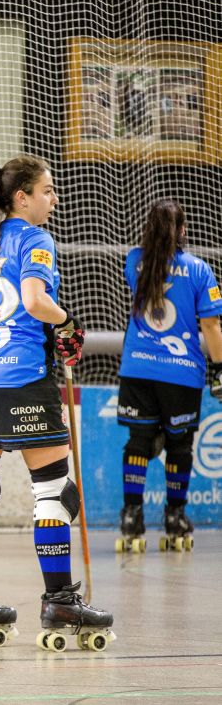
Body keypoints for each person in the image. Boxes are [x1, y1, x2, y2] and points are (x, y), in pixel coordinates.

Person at [0, 155, 113, 650]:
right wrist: (67, 323)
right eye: (48, 191)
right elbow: (35, 301)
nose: (53, 200)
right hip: (21, 376)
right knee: (54, 491)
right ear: (22, 198)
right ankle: (60, 601)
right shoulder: (34, 238)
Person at [115, 198, 222, 553]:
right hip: (181, 374)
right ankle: (175, 515)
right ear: (182, 230)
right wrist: (219, 369)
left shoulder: (135, 262)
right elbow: (210, 325)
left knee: (138, 442)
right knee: (179, 445)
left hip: (137, 369)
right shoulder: (199, 269)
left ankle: (132, 515)